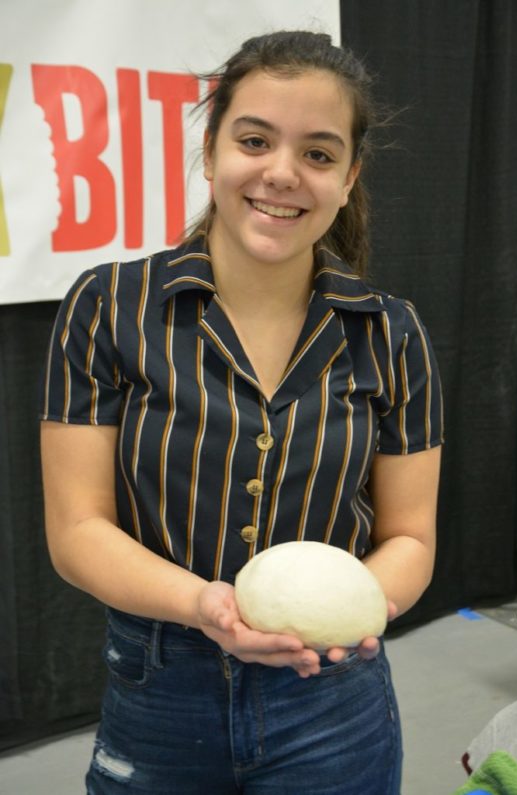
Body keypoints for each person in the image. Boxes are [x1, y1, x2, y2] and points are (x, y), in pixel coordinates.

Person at [40, 30, 443, 795]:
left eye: (320, 154)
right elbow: (76, 531)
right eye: (255, 139)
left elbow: (411, 535)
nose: (282, 173)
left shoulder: (392, 333)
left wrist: (357, 606)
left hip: (333, 693)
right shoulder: (107, 307)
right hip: (160, 689)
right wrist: (206, 605)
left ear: (350, 176)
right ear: (211, 149)